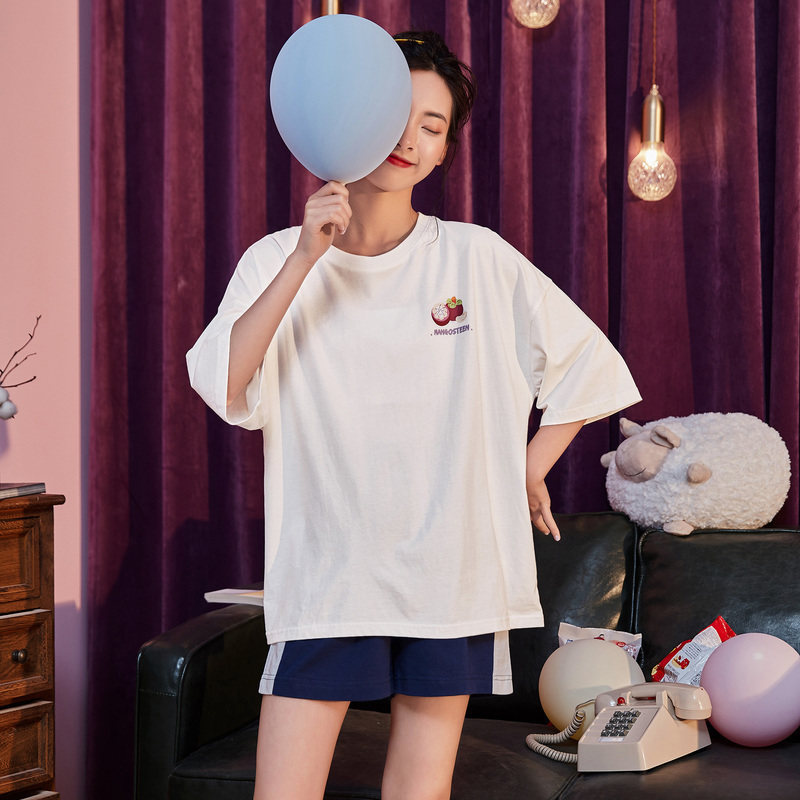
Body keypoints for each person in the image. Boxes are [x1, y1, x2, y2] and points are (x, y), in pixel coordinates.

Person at [187, 30, 640, 800]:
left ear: (443, 151)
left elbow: (591, 365)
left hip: (451, 576)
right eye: (395, 116)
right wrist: (305, 257)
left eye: (432, 126)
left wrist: (526, 467)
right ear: (351, 114)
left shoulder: (476, 258)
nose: (409, 140)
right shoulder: (275, 259)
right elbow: (227, 385)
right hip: (329, 576)